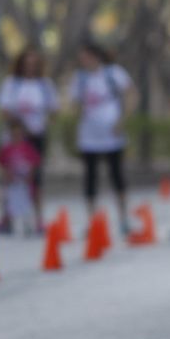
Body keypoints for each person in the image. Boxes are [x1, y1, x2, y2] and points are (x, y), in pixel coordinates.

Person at [70, 40, 135, 233]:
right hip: (89, 135)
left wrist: (122, 120)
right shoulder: (79, 78)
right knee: (90, 177)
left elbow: (131, 94)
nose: (84, 61)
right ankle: (92, 221)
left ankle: (124, 218)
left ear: (96, 56)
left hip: (112, 134)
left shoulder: (113, 73)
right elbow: (73, 103)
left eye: (87, 57)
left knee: (117, 176)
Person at [0, 45, 58, 234]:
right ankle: (6, 218)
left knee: (35, 180)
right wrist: (20, 126)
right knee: (10, 179)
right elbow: (4, 110)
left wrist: (41, 125)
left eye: (34, 64)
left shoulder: (44, 85)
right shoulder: (12, 84)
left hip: (36, 138)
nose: (30, 67)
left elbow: (54, 110)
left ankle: (37, 219)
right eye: (26, 64)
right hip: (14, 140)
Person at [0, 116, 42, 236]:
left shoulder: (28, 148)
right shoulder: (7, 148)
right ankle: (6, 222)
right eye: (13, 133)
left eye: (18, 133)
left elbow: (35, 163)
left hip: (25, 182)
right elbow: (1, 163)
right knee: (6, 199)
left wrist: (30, 175)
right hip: (11, 182)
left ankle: (33, 223)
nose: (16, 135)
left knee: (30, 200)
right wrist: (6, 174)